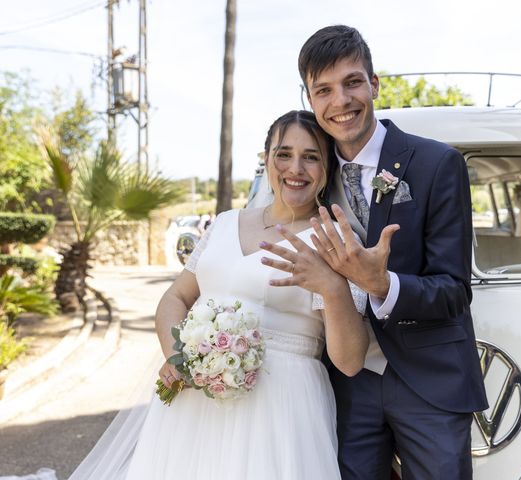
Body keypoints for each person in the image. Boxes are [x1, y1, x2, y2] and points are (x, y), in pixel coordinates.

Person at [68, 110, 369, 480]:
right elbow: (175, 298)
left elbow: (351, 361)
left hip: (281, 409)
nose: (296, 168)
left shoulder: (334, 239)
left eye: (311, 157)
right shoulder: (225, 223)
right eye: (284, 153)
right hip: (195, 400)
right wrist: (178, 356)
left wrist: (330, 285)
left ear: (327, 168)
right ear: (266, 159)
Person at [270, 25, 489, 480]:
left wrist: (383, 285)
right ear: (310, 99)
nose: (341, 101)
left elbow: (454, 290)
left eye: (352, 82)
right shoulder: (313, 172)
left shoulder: (436, 163)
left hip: (429, 379)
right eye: (324, 90)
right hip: (347, 384)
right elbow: (274, 228)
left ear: (374, 84)